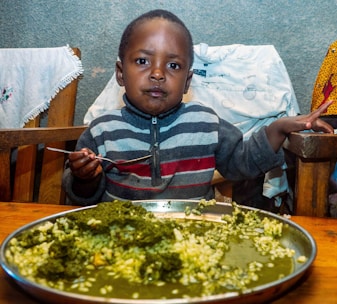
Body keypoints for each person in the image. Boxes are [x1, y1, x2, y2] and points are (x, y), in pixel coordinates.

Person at [62, 9, 333, 206]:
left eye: (173, 65)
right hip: (119, 241)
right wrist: (84, 177)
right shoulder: (102, 130)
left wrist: (279, 127)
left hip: (193, 241)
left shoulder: (205, 123)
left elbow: (243, 163)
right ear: (121, 73)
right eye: (143, 61)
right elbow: (80, 196)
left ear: (187, 81)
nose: (158, 73)